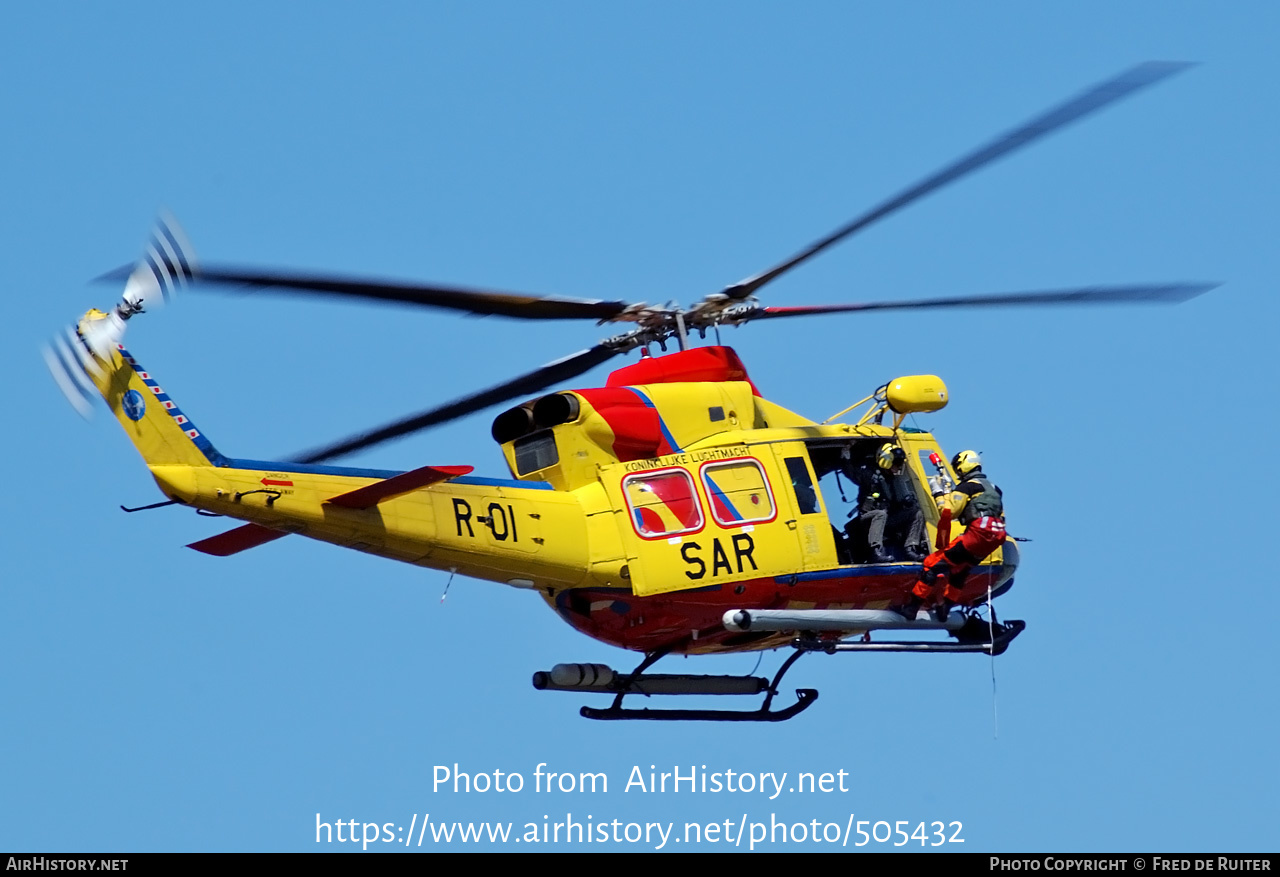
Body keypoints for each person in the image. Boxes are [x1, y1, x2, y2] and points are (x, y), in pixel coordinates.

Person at [896, 449, 1005, 621]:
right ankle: (945, 609)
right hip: (995, 536)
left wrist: (938, 493)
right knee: (960, 570)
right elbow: (1000, 514)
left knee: (932, 564)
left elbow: (949, 511)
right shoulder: (994, 488)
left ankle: (911, 608)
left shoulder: (968, 486)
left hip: (976, 535)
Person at [846, 443, 927, 563]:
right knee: (880, 514)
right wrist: (846, 459)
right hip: (868, 517)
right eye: (897, 464)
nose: (898, 467)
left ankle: (911, 548)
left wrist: (906, 503)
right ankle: (875, 551)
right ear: (887, 461)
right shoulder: (869, 475)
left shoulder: (891, 480)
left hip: (886, 518)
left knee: (917, 513)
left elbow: (893, 502)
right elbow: (852, 473)